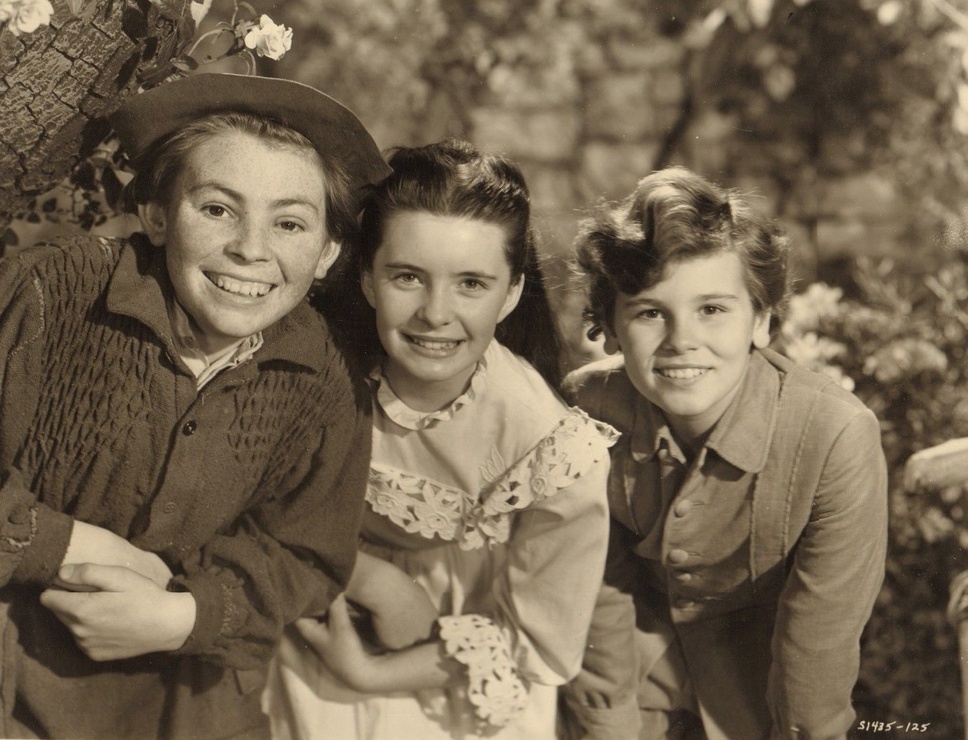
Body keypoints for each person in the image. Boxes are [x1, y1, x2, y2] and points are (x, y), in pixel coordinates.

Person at [0, 72, 390, 739]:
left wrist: (184, 617)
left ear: (328, 252)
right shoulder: (50, 292)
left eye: (289, 223)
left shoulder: (326, 379)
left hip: (181, 705)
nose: (251, 249)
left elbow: (304, 554)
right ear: (157, 215)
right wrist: (58, 543)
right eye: (217, 209)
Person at [263, 139, 619, 739]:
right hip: (308, 631)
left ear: (511, 293)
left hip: (452, 676)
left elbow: (539, 644)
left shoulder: (552, 450)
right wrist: (373, 580)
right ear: (368, 278)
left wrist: (370, 673)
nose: (435, 313)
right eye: (407, 277)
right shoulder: (306, 370)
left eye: (471, 284)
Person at [559, 167, 888, 740]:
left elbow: (816, 650)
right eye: (649, 312)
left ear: (761, 320)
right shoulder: (586, 407)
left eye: (712, 309)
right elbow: (596, 593)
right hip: (631, 684)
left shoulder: (835, 435)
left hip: (764, 699)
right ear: (608, 327)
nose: (681, 341)